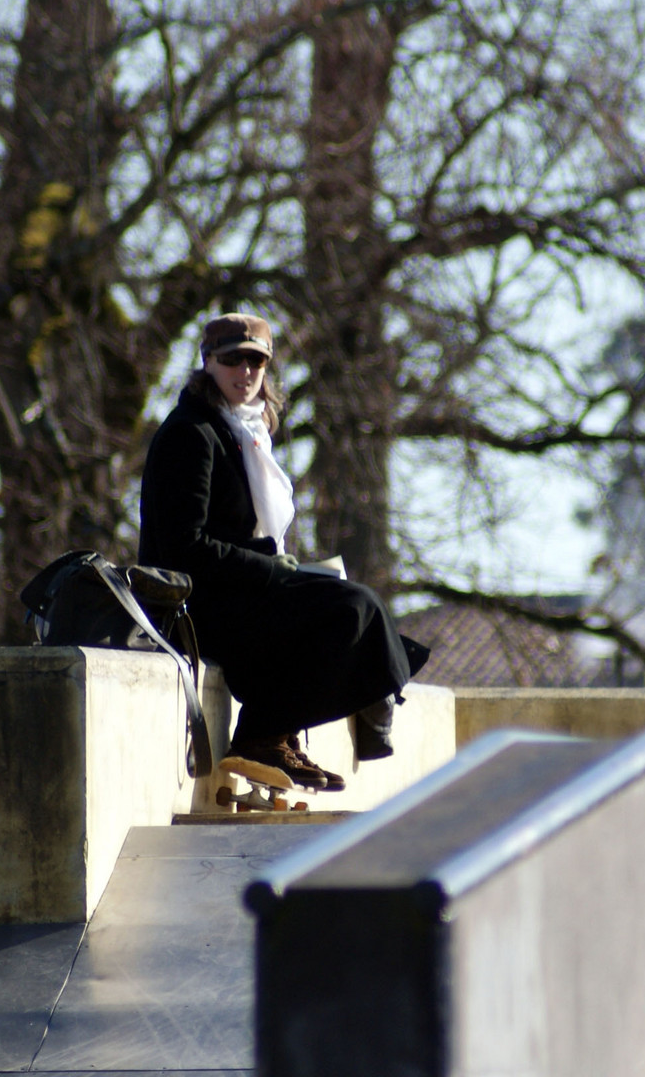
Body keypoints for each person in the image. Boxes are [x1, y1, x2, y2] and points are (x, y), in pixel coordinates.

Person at [138, 313, 428, 793]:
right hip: (201, 607)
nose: (246, 372)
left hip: (241, 592)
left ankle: (275, 737)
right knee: (353, 609)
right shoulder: (191, 434)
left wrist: (277, 570)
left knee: (355, 602)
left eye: (257, 361)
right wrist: (272, 569)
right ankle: (261, 736)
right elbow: (182, 548)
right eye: (233, 359)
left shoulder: (245, 431)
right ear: (207, 362)